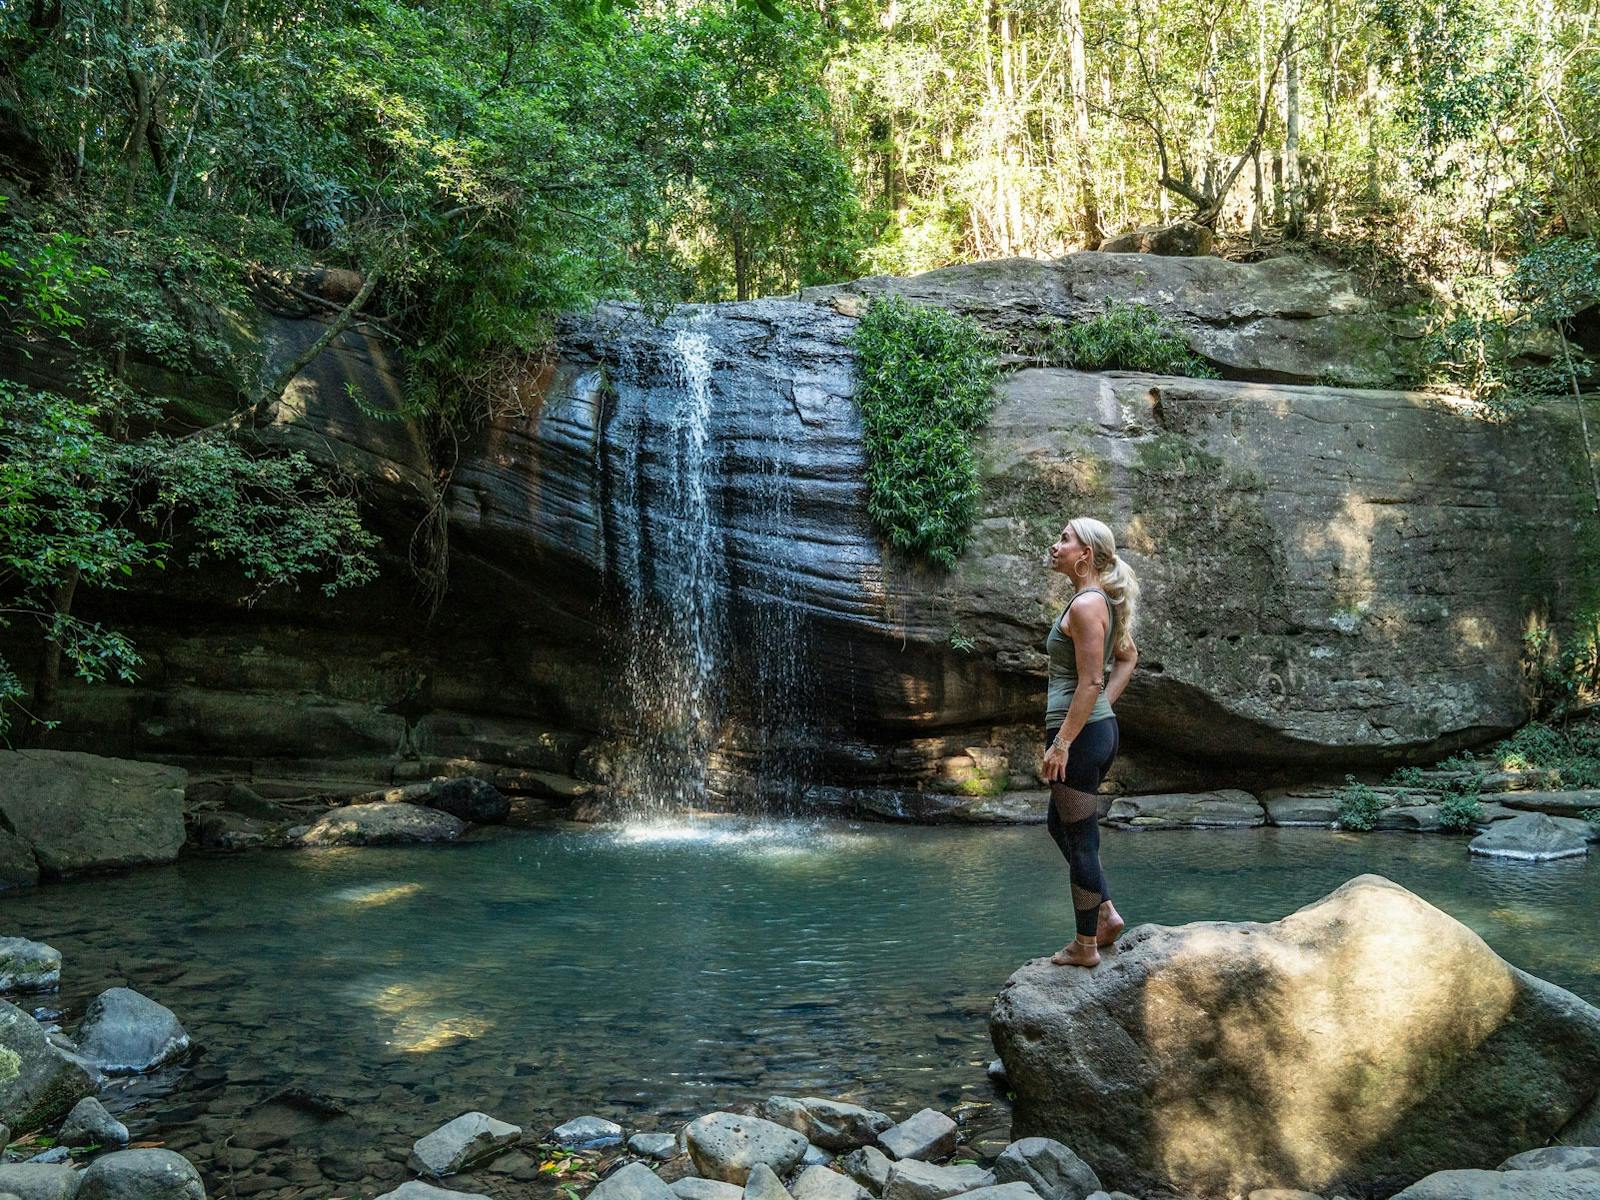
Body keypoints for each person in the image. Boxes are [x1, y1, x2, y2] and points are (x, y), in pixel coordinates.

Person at [1042, 517, 1140, 967]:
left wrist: (1062, 742)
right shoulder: (1100, 601)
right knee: (1059, 824)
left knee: (1081, 840)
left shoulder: (1086, 605)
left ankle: (1086, 946)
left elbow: (1088, 683)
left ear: (1085, 554)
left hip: (1079, 737)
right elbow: (1128, 657)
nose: (1056, 544)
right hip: (1096, 730)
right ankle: (1104, 912)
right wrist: (1101, 710)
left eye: (1065, 539)